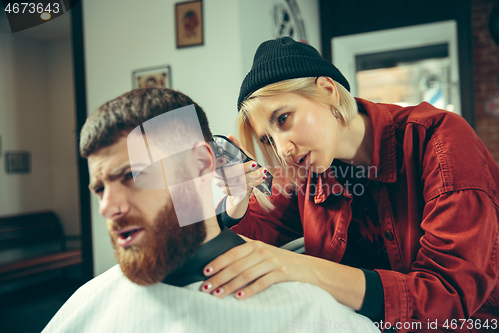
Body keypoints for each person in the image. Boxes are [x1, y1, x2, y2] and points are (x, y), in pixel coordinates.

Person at [200, 37, 499, 333]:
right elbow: (251, 233)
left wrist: (298, 267)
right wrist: (235, 204)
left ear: (328, 91)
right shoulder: (309, 172)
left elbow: (448, 298)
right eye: (267, 139)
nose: (282, 149)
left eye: (283, 119)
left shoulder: (439, 141)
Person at [42, 88, 380, 333]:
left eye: (132, 176)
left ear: (202, 163)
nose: (107, 208)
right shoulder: (86, 305)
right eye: (100, 188)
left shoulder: (311, 314)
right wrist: (234, 208)